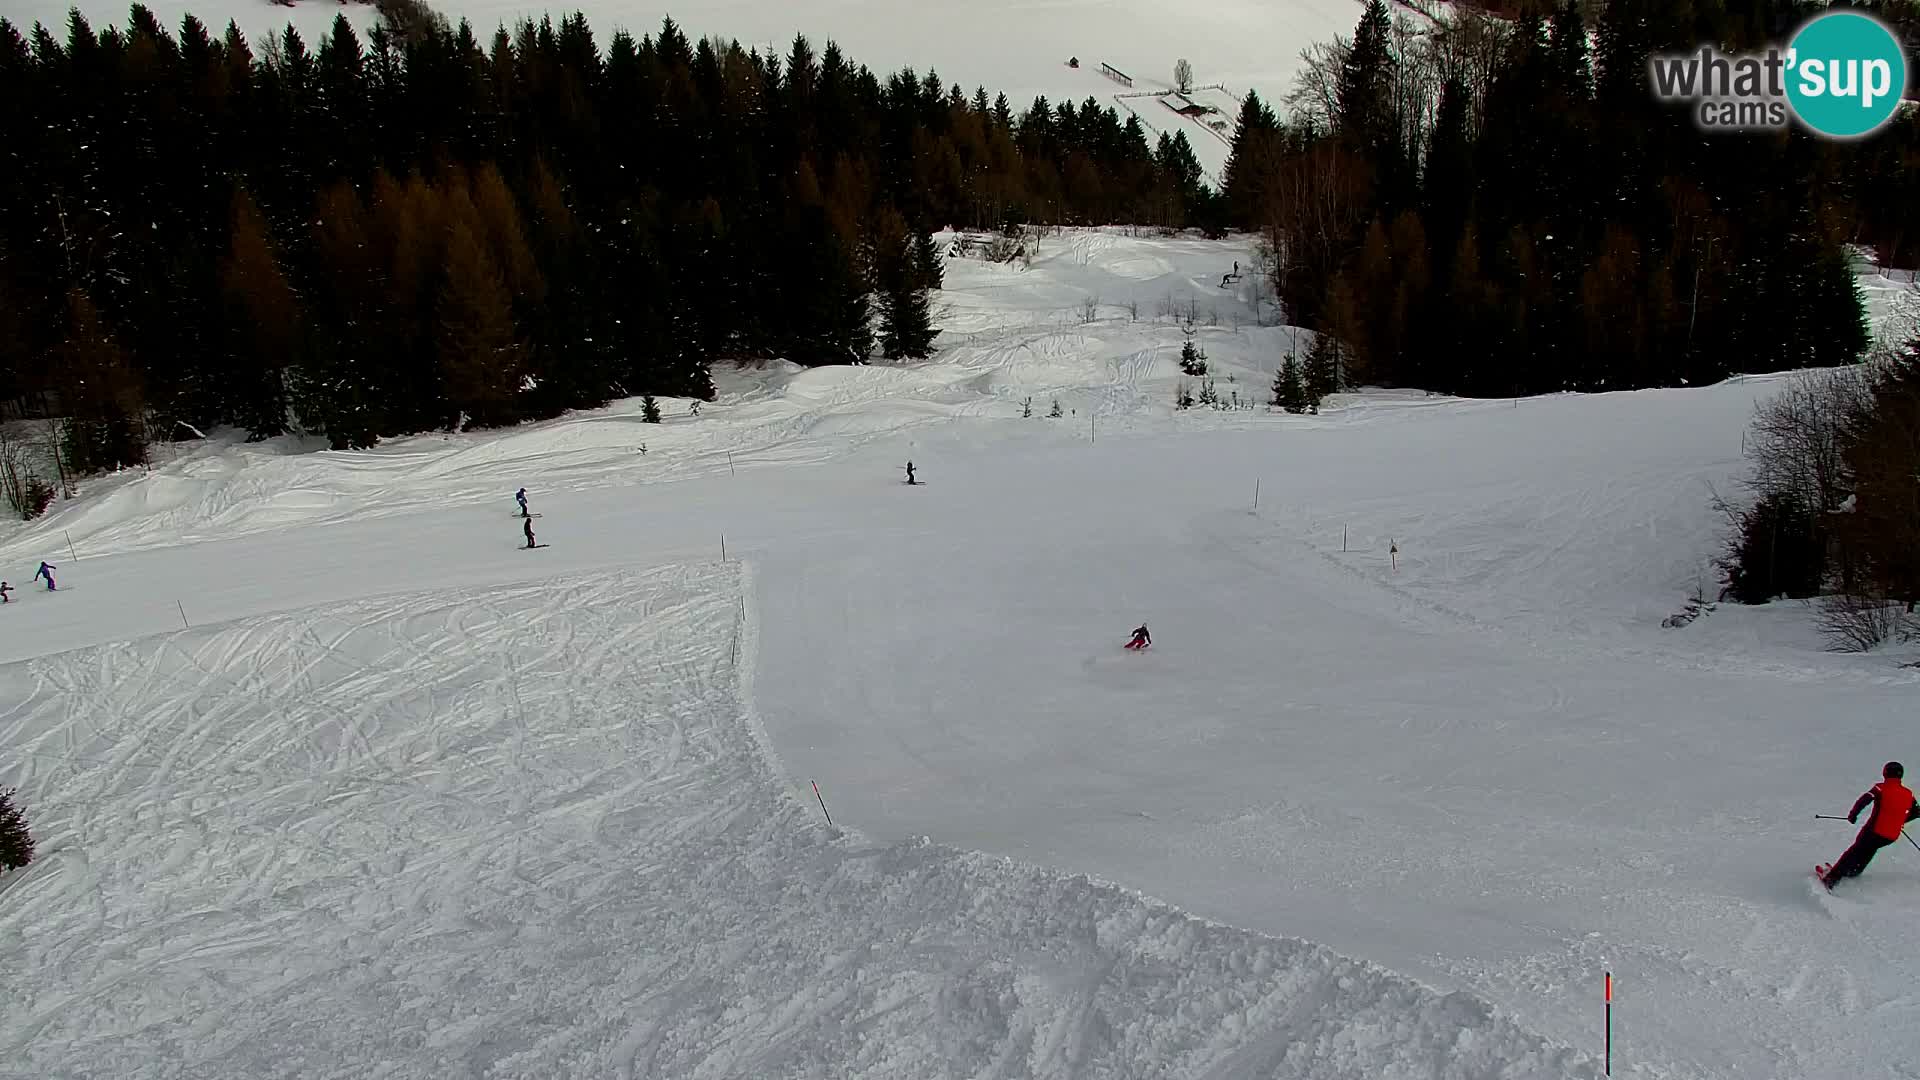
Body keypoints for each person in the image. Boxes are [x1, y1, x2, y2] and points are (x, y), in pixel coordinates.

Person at [1821, 761, 1919, 888]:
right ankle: (1854, 871)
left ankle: (1832, 878)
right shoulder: (1909, 794)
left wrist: (1852, 815)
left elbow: (1864, 800)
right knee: (1870, 849)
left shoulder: (1880, 788)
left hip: (1875, 830)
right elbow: (1917, 812)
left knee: (1855, 850)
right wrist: (1899, 821)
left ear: (1885, 773)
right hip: (1891, 836)